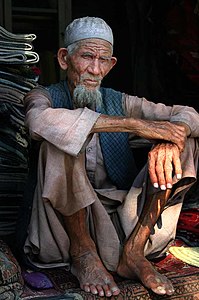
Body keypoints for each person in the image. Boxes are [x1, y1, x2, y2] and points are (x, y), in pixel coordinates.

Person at [22, 16, 199, 298]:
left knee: (186, 141)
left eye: (103, 60)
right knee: (60, 140)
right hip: (65, 227)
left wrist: (170, 142)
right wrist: (133, 124)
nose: (94, 69)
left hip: (123, 221)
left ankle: (134, 251)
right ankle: (84, 254)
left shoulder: (121, 100)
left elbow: (189, 114)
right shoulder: (43, 96)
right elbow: (37, 122)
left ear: (111, 64)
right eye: (87, 57)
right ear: (64, 58)